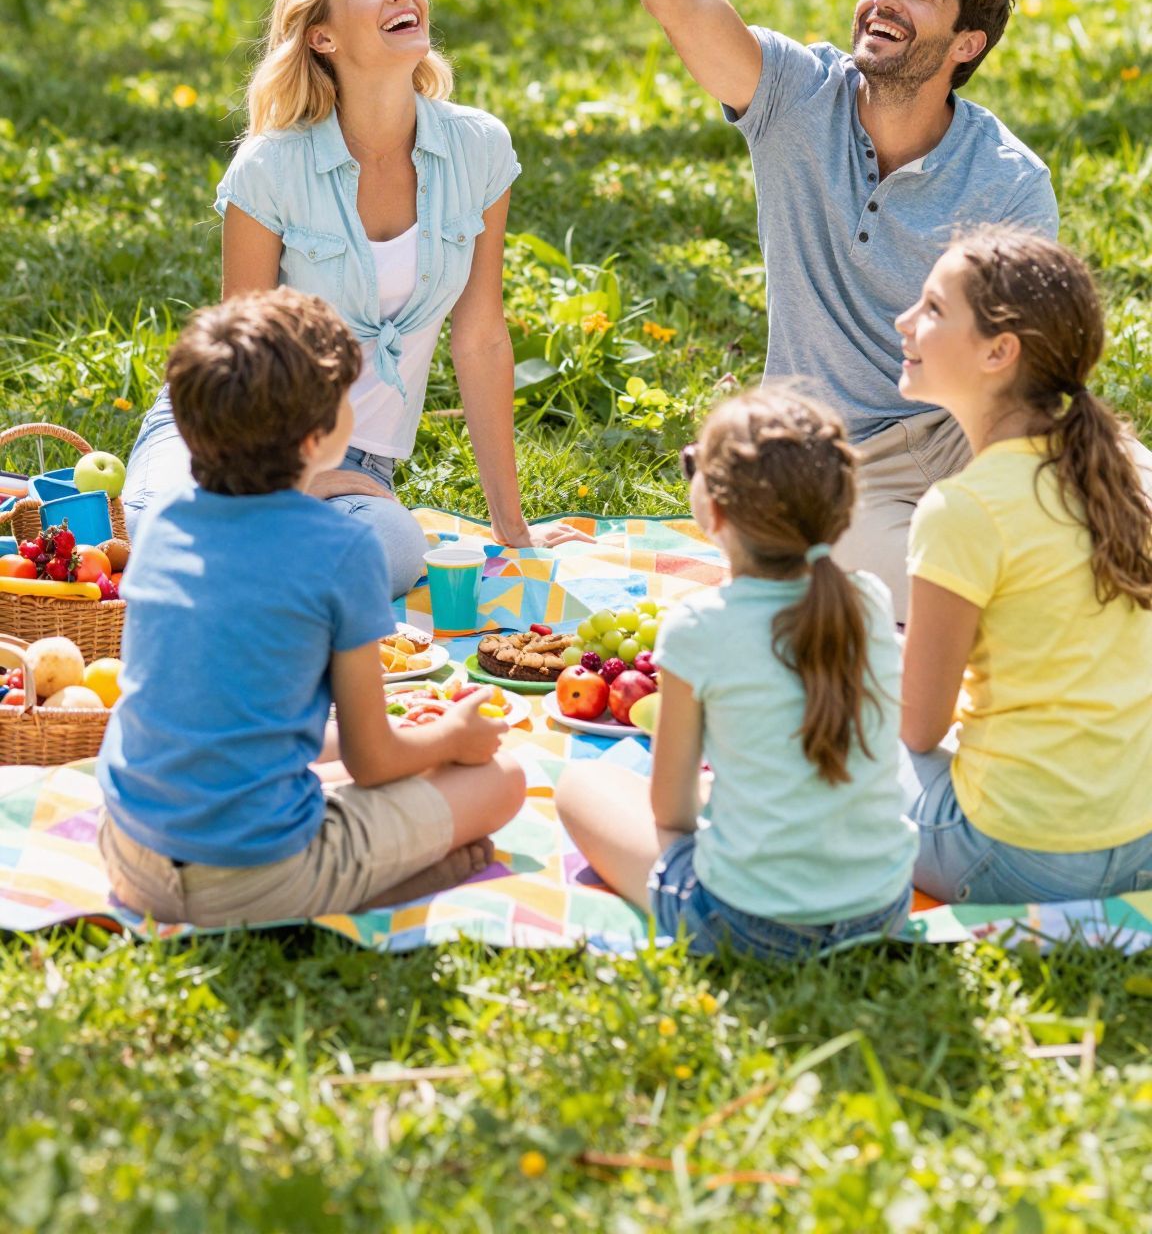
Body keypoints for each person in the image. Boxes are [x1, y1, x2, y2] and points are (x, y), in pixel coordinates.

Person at [560, 0, 1058, 616]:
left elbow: (1027, 375)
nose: (884, 0)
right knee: (868, 575)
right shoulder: (797, 97)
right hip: (822, 458)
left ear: (965, 45)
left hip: (955, 441)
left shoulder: (1006, 182)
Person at [124, 0, 579, 595]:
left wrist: (513, 529)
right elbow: (234, 363)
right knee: (169, 524)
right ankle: (236, 553)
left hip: (359, 461)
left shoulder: (479, 148)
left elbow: (480, 336)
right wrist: (296, 478)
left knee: (392, 551)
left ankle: (236, 571)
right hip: (230, 446)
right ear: (323, 37)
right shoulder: (271, 167)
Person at [99, 289, 526, 925]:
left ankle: (329, 878)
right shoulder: (341, 548)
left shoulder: (158, 526)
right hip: (255, 877)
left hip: (129, 852)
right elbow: (372, 762)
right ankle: (356, 889)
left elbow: (220, 718)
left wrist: (416, 738)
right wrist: (451, 737)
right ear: (318, 438)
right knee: (503, 781)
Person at [556, 388, 916, 960]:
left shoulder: (698, 627)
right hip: (881, 908)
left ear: (714, 513)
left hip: (747, 925)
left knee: (583, 785)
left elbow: (669, 811)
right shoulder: (870, 602)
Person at [897, 229, 1152, 905]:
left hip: (1013, 859)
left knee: (831, 728)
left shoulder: (964, 508)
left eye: (930, 309)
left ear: (998, 352)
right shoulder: (1137, 472)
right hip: (1141, 844)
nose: (904, 322)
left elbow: (916, 728)